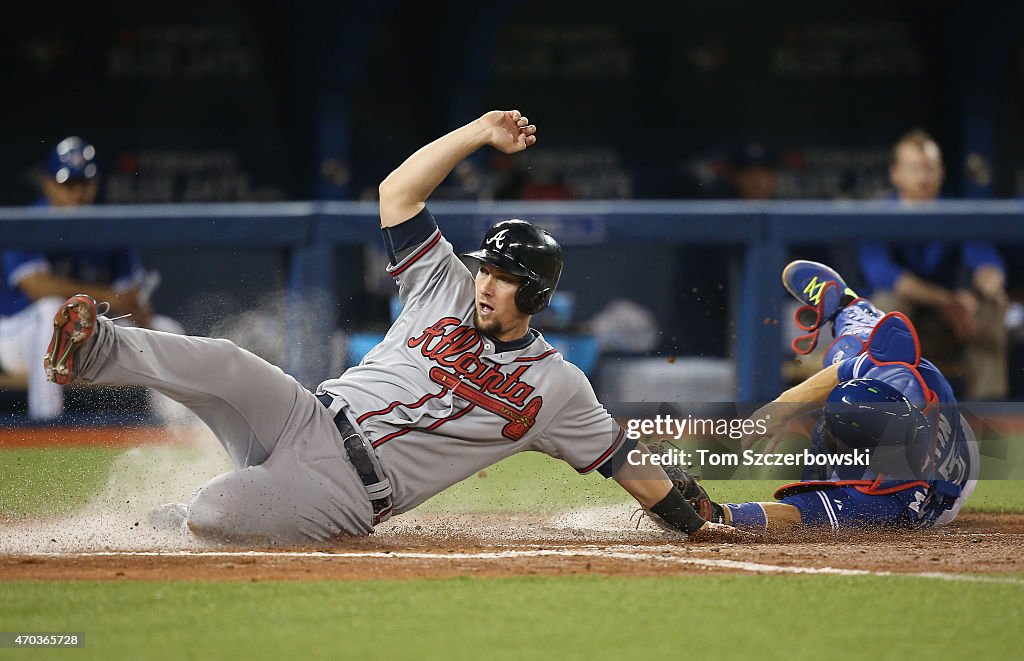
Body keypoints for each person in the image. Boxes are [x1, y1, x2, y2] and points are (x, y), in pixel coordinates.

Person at [42, 110, 742, 545]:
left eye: (501, 275)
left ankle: (163, 526)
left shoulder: (557, 386)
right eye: (484, 268)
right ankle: (95, 346)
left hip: (347, 492)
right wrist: (477, 132)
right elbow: (397, 193)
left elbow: (624, 462)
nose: (484, 281)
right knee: (225, 360)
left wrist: (692, 518)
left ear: (532, 291)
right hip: (307, 413)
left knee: (219, 509)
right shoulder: (442, 281)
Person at [675, 260, 978, 533]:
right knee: (854, 349)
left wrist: (715, 513)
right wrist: (783, 407)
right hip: (950, 430)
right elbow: (863, 362)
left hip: (946, 485)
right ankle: (848, 303)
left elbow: (795, 515)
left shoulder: (886, 501)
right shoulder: (905, 381)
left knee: (823, 451)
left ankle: (824, 483)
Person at [0, 136, 181, 420]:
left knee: (167, 329)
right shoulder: (29, 222)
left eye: (84, 184)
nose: (77, 194)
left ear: (95, 185)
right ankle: (46, 427)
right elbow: (37, 287)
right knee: (53, 312)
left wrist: (135, 306)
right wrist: (108, 295)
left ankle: (177, 432)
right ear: (48, 184)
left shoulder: (107, 228)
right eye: (68, 185)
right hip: (16, 338)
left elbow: (133, 302)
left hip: (87, 336)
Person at [858, 129, 1008, 400]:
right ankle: (882, 405)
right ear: (896, 174)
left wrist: (985, 287)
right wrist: (948, 300)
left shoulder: (956, 212)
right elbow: (887, 276)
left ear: (942, 172)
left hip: (952, 325)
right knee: (889, 304)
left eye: (930, 168)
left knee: (993, 302)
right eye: (915, 168)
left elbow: (985, 260)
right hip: (901, 328)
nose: (923, 177)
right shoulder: (878, 214)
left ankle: (988, 412)